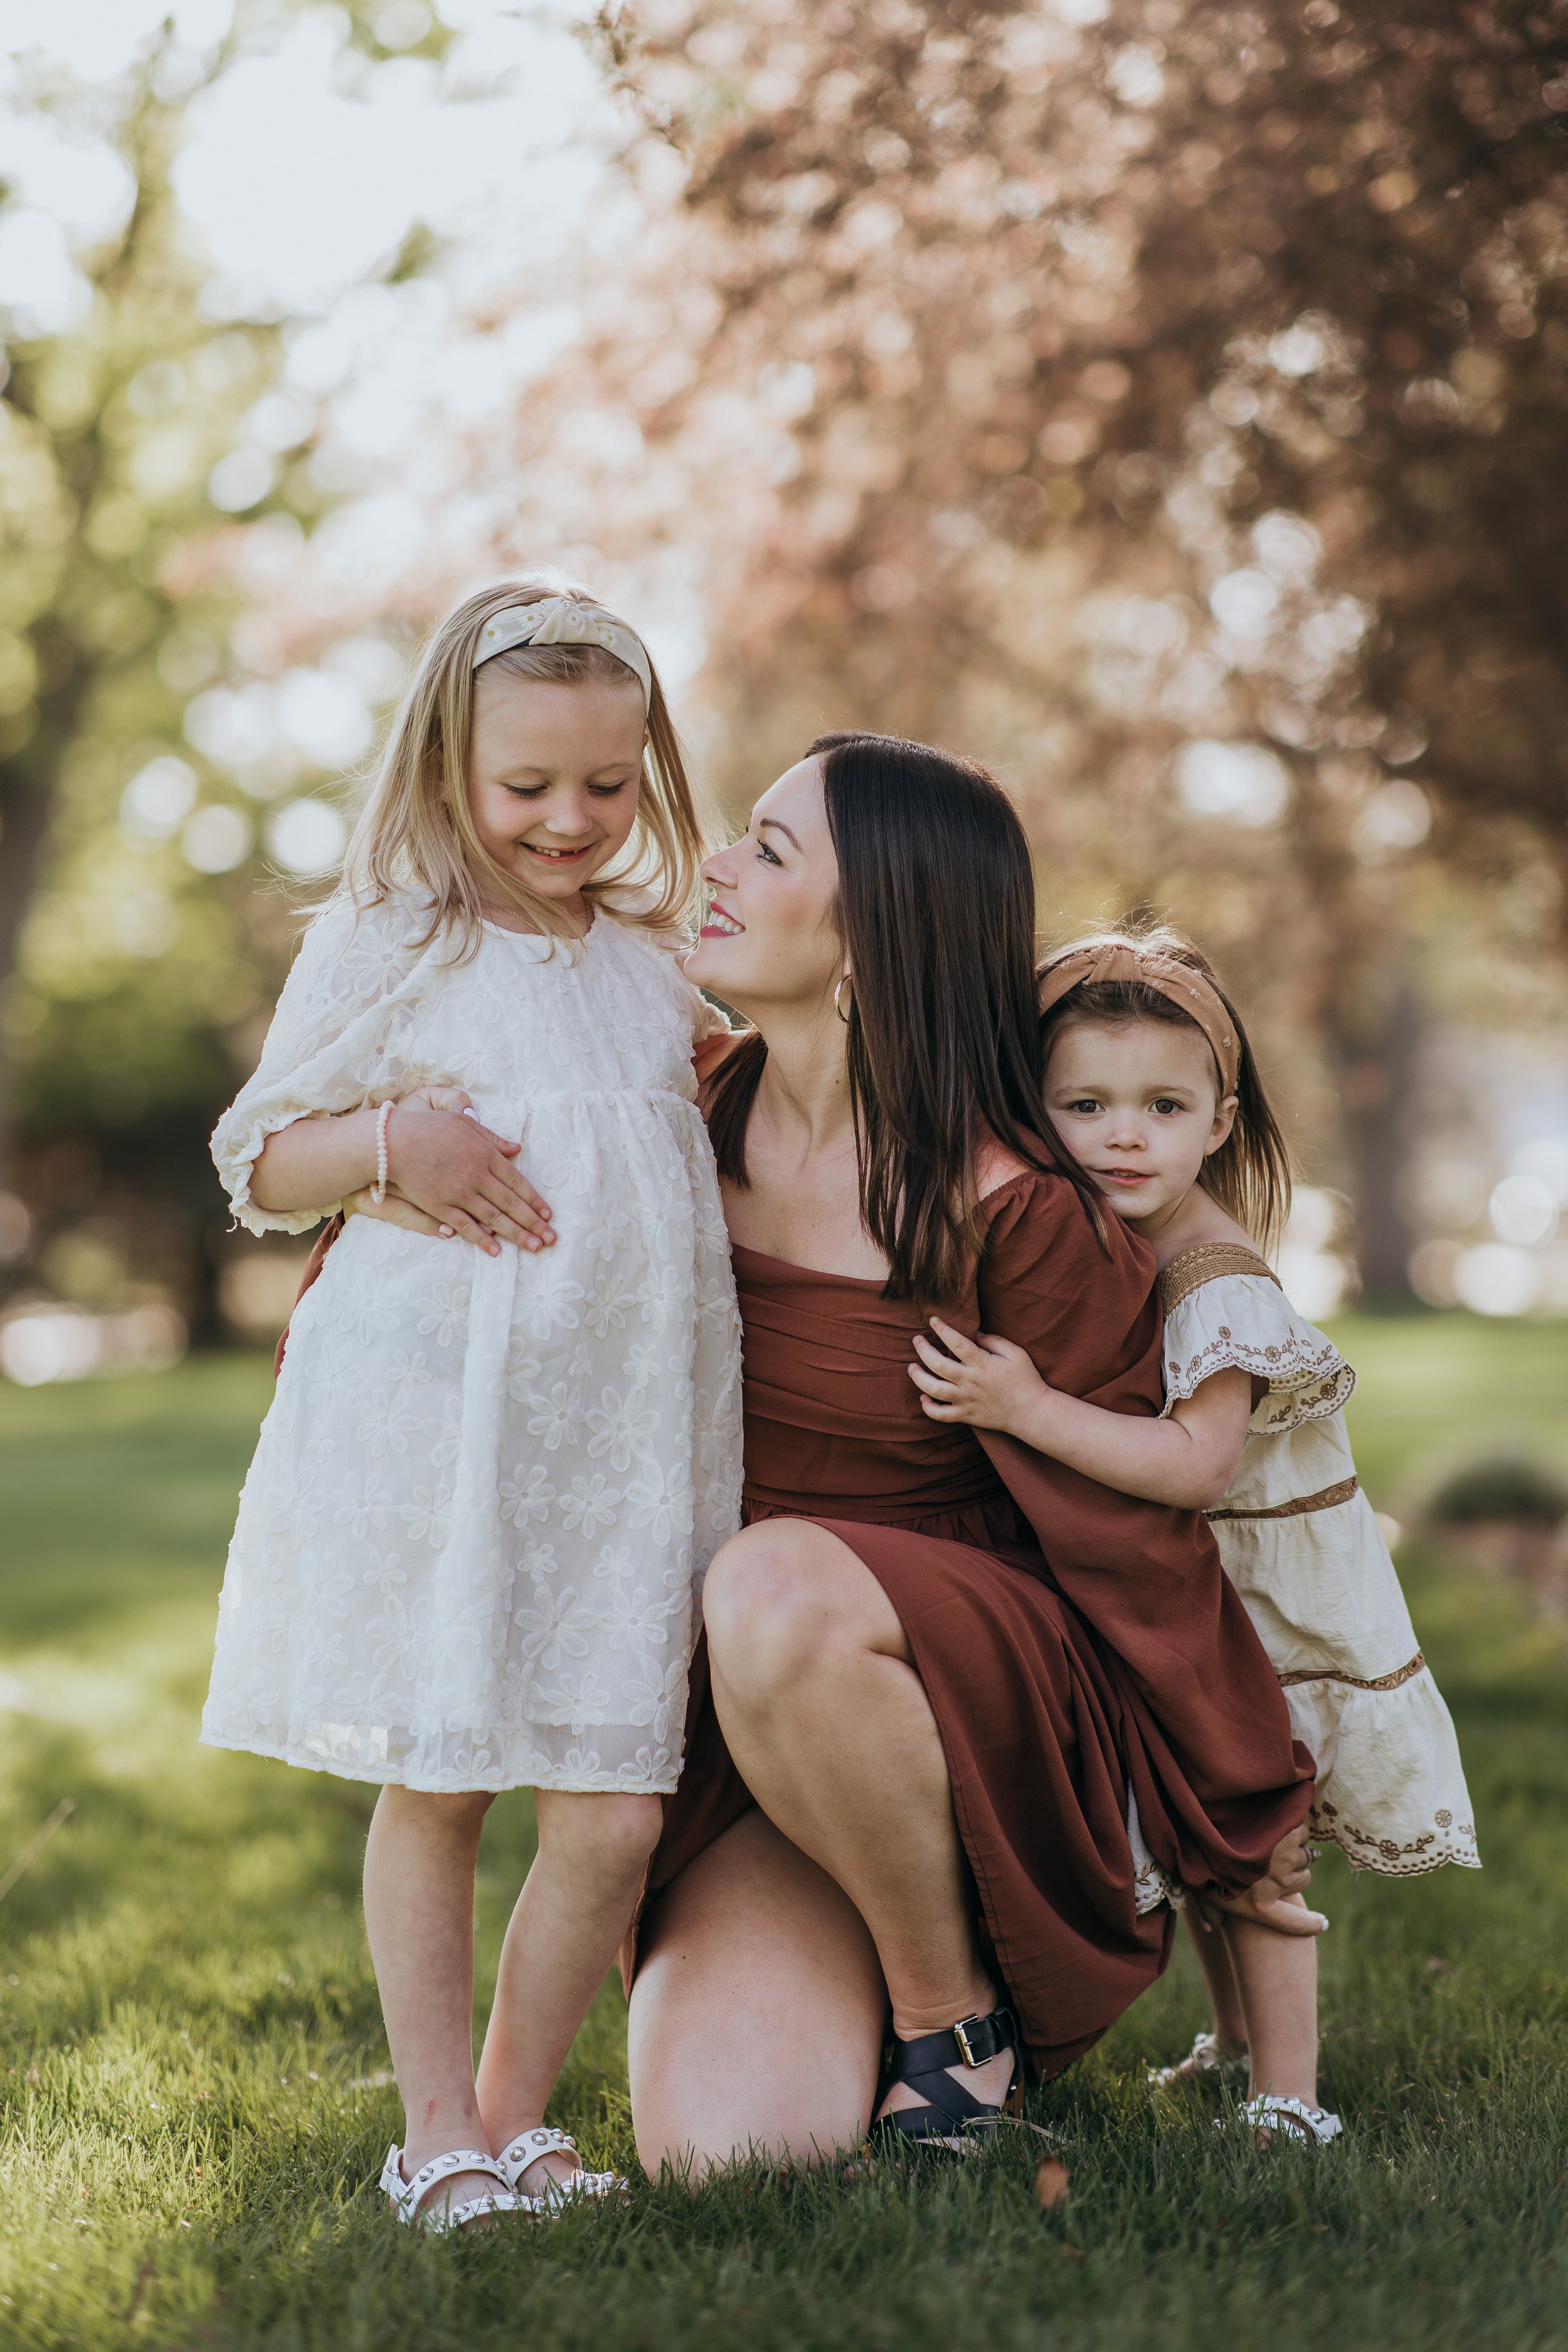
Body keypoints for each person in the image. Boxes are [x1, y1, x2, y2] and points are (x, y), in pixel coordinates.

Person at [613, 734, 1316, 2176]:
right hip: (755, 1708)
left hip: (967, 1691)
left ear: (869, 931)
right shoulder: (680, 1119)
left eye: (768, 847)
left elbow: (1145, 1526)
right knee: (732, 2157)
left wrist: (1220, 1791)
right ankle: (856, 1956)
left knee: (773, 1589)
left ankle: (952, 2018)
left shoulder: (1017, 1207)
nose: (718, 868)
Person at [202, 581, 743, 2230]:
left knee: (613, 1799)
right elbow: (259, 1157)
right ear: (448, 764)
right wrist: (391, 1148)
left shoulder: (655, 954)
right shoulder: (399, 932)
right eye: (527, 787)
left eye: (604, 781)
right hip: (444, 1415)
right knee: (443, 1768)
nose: (569, 819)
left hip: (624, 1432)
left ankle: (514, 2117)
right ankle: (432, 2124)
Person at [908, 925, 1478, 2146]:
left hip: (1254, 1608)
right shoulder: (1109, 1237)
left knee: (1255, 1854)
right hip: (1182, 1599)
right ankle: (1227, 2045)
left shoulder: (1211, 1275)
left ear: (1217, 1122)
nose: (1124, 1134)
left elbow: (1194, 1463)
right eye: (1085, 1104)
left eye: (1161, 1106)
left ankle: (1290, 2097)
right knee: (1200, 1839)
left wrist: (1023, 1408)